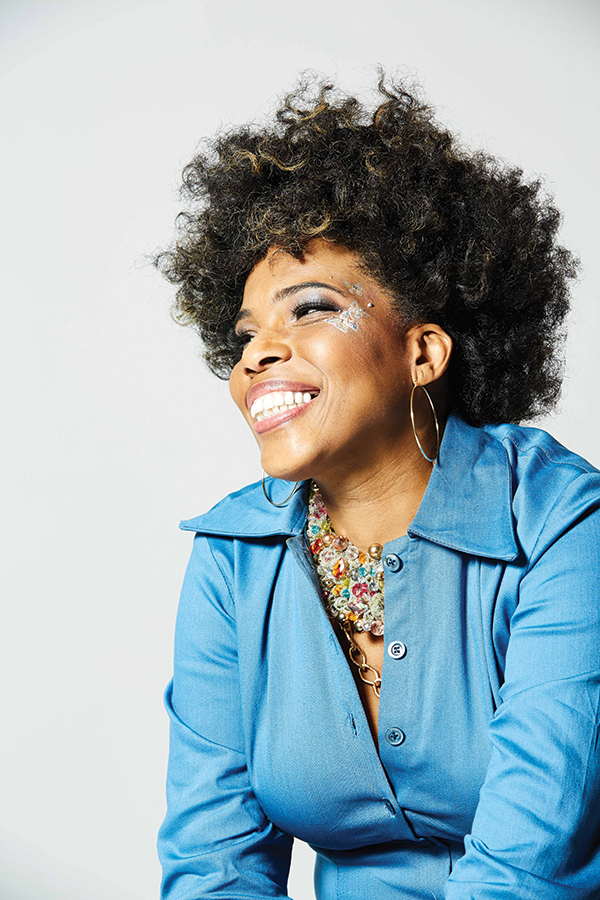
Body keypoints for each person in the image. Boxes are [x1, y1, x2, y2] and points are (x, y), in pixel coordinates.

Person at [156, 74, 600, 900]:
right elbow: (214, 866)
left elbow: (526, 869)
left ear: (422, 353)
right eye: (246, 335)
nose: (256, 355)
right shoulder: (232, 555)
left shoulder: (562, 524)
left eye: (308, 310)